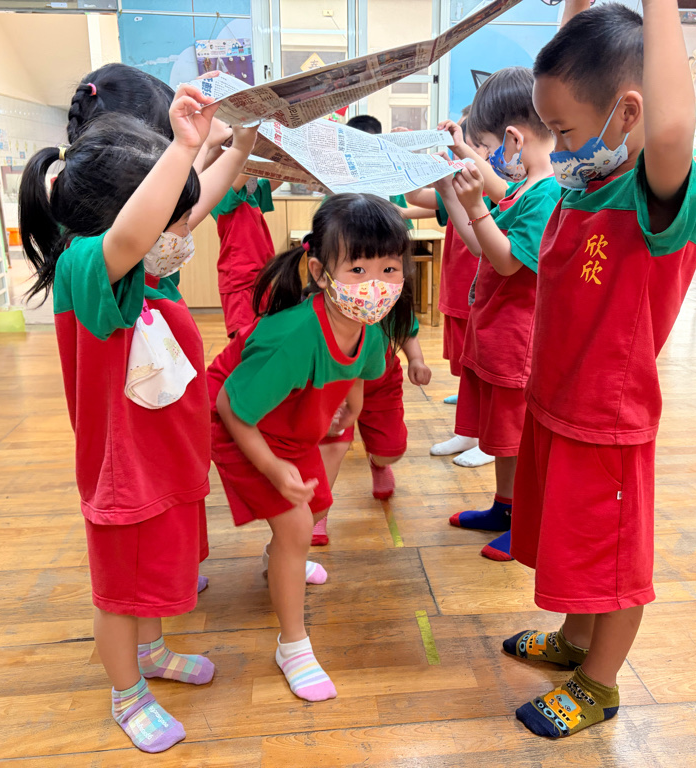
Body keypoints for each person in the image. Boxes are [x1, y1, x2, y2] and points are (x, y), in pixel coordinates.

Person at [19, 85, 257, 753]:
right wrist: (183, 146)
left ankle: (151, 654)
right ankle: (126, 691)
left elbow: (183, 208)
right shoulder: (87, 269)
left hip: (167, 461)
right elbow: (136, 232)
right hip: (124, 476)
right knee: (118, 596)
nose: (185, 234)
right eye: (173, 226)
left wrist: (237, 147)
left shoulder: (148, 272)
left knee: (151, 578)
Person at [506, 0, 696, 739]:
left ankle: (600, 683)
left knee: (613, 562)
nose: (556, 148)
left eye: (563, 132)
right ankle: (575, 638)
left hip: (606, 421)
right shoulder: (586, 179)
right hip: (556, 403)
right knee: (574, 546)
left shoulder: (652, 193)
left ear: (627, 114)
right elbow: (574, 60)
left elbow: (670, 128)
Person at [206, 194, 416, 702]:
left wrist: (352, 406)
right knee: (298, 524)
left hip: (288, 423)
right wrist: (272, 467)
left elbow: (360, 373)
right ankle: (293, 645)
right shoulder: (294, 337)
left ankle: (279, 558)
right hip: (239, 421)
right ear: (320, 273)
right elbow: (231, 405)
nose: (375, 284)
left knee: (314, 506)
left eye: (389, 269)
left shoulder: (368, 326)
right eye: (358, 269)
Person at [443, 67, 561, 562]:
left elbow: (507, 260)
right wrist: (454, 179)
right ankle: (504, 507)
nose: (489, 158)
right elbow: (481, 239)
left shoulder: (547, 192)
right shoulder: (525, 186)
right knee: (502, 436)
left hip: (517, 342)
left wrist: (473, 202)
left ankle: (526, 522)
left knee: (516, 440)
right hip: (496, 334)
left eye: (490, 148)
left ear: (513, 139)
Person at [406, 114, 506, 469]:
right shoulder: (466, 184)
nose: (466, 151)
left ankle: (490, 439)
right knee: (468, 367)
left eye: (478, 144)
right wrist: (411, 155)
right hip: (460, 291)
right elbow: (418, 195)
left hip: (485, 294)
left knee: (488, 371)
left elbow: (487, 248)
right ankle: (469, 432)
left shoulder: (500, 190)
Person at [313, 313, 431, 545]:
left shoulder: (388, 300)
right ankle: (317, 513)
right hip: (333, 378)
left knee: (391, 449)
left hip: (380, 380)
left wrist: (416, 359)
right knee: (331, 450)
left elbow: (404, 325)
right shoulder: (323, 303)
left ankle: (378, 462)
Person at [210, 171, 283, 337]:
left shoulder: (251, 195)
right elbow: (242, 169)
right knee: (244, 340)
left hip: (260, 278)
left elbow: (277, 178)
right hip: (240, 283)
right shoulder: (220, 194)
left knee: (260, 335)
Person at [346, 114, 433, 228]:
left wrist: (402, 150)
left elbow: (412, 199)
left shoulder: (390, 169)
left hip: (388, 229)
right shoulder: (345, 173)